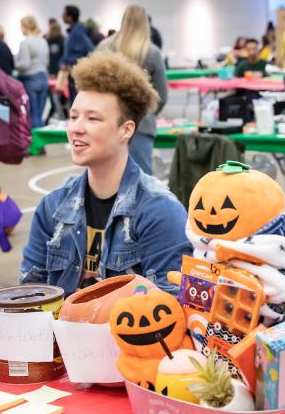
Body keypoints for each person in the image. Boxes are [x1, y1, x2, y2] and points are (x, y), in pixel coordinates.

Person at [20, 50, 190, 295]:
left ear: (126, 130)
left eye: (93, 119)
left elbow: (170, 305)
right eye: (73, 116)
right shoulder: (53, 207)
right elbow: (29, 291)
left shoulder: (159, 211)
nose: (77, 128)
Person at [95, 5, 168, 175]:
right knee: (142, 182)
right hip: (141, 124)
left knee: (106, 179)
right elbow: (162, 96)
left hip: (107, 123)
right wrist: (149, 114)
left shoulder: (103, 48)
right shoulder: (152, 52)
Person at [16, 15, 50, 129]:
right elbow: (46, 61)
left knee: (32, 115)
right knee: (39, 115)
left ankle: (34, 144)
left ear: (25, 26)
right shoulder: (43, 41)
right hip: (43, 78)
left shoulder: (25, 43)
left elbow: (24, 65)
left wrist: (14, 64)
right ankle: (41, 144)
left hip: (30, 79)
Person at [59, 5, 96, 106]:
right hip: (72, 74)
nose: (61, 15)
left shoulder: (77, 33)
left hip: (76, 74)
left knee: (76, 103)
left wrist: (74, 62)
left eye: (64, 14)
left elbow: (91, 50)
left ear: (70, 17)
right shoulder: (72, 32)